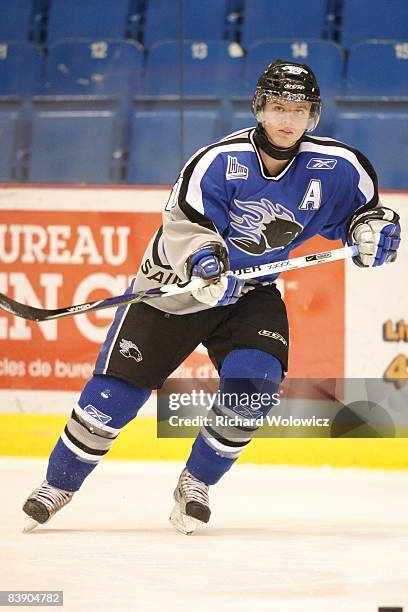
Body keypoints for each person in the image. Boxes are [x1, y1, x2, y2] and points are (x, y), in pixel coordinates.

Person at [22, 60, 401, 535]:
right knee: (115, 395)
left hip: (250, 291)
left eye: (300, 110)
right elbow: (184, 223)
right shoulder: (219, 161)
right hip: (175, 288)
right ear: (260, 109)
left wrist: (373, 230)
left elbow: (362, 214)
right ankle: (58, 484)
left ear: (314, 116)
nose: (289, 120)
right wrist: (205, 261)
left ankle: (195, 482)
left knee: (256, 385)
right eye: (279, 107)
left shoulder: (340, 168)